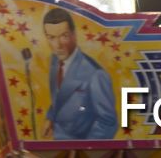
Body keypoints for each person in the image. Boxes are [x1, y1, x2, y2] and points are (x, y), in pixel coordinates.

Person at [40, 7, 117, 141]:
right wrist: (51, 118)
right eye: (51, 37)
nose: (57, 45)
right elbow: (60, 97)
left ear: (74, 35)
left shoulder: (95, 74)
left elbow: (108, 122)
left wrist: (84, 151)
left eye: (64, 36)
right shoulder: (55, 61)